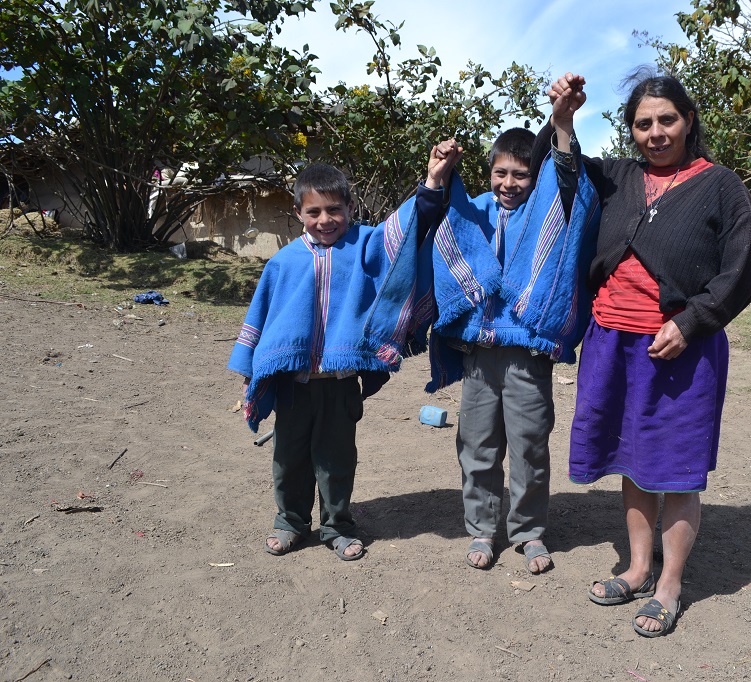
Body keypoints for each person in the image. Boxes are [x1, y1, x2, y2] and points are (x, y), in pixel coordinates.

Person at [544, 70, 751, 636]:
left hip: (681, 352)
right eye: (643, 123)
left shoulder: (720, 186)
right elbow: (565, 177)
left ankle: (670, 586)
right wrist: (563, 119)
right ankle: (639, 568)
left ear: (689, 120)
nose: (656, 132)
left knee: (677, 470)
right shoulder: (617, 178)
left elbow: (741, 273)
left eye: (667, 119)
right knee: (633, 461)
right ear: (631, 130)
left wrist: (691, 323)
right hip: (611, 342)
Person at [227, 146, 461, 561]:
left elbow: (408, 229)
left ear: (351, 207)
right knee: (289, 459)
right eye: (313, 212)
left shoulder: (366, 246)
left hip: (338, 383)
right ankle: (291, 522)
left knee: (336, 460)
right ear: (298, 211)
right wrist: (253, 373)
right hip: (292, 384)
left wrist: (433, 181)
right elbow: (266, 317)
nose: (324, 221)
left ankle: (336, 525)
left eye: (334, 210)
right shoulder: (284, 262)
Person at [427, 78, 598, 574]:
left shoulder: (547, 211)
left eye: (521, 174)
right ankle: (482, 530)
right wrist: (440, 175)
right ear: (489, 172)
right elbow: (437, 215)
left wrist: (562, 123)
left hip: (527, 355)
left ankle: (528, 532)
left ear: (534, 178)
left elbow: (568, 179)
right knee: (476, 446)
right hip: (480, 354)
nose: (508, 184)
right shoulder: (473, 210)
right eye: (500, 172)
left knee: (529, 446)